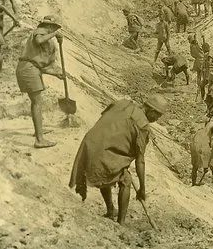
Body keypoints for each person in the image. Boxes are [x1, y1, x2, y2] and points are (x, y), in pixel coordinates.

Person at [69, 95, 168, 225]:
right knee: (125, 179)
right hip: (103, 152)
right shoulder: (143, 125)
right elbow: (140, 161)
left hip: (90, 144)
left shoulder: (123, 103)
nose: (156, 120)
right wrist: (142, 189)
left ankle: (110, 210)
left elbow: (107, 118)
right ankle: (121, 222)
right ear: (152, 111)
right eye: (158, 116)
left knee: (110, 169)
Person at [15, 15, 64, 148]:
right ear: (49, 26)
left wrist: (56, 74)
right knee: (37, 102)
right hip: (28, 69)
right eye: (53, 28)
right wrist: (54, 34)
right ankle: (39, 139)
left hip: (31, 69)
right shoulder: (40, 31)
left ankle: (39, 131)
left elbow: (41, 66)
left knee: (36, 102)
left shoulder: (47, 41)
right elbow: (39, 40)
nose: (52, 30)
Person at [190, 118, 213, 190]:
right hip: (203, 146)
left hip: (194, 146)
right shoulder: (212, 124)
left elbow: (202, 149)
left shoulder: (201, 131)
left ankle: (193, 183)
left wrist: (205, 165)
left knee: (195, 166)